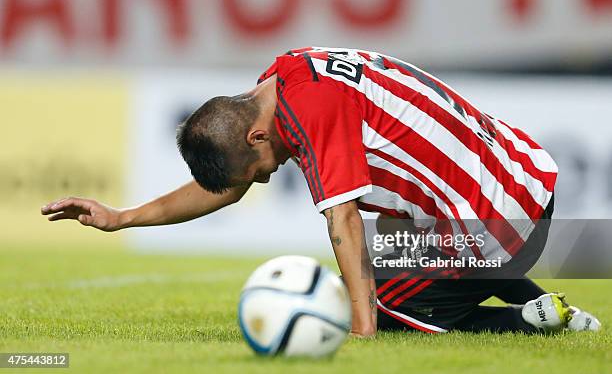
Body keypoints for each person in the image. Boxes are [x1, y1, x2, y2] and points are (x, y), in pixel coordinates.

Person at [41, 47, 600, 336]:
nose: (262, 179)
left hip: (501, 220)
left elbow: (344, 223)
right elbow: (228, 189)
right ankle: (546, 305)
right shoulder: (286, 77)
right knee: (382, 260)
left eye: (254, 169)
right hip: (522, 177)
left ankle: (523, 323)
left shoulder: (310, 112)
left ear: (257, 135)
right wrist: (122, 218)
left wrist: (363, 329)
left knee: (371, 299)